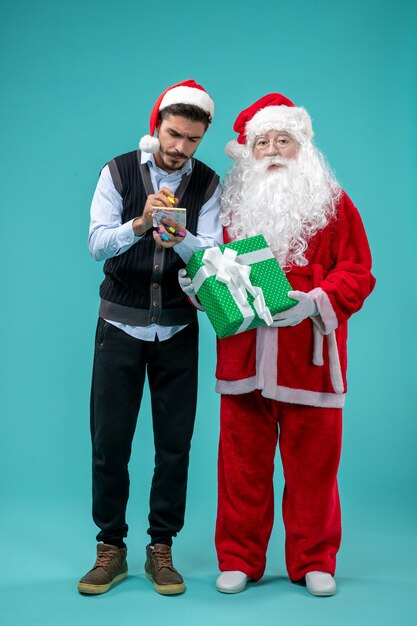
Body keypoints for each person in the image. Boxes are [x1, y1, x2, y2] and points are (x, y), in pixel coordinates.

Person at [180, 93, 375, 596]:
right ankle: (241, 559)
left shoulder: (334, 203)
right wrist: (200, 289)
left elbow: (358, 271)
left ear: (302, 147)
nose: (271, 149)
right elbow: (217, 268)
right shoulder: (232, 206)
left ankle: (315, 560)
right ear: (248, 150)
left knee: (314, 468)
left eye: (282, 140)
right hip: (243, 357)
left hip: (309, 360)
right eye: (261, 141)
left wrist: (318, 301)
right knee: (240, 467)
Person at [78, 80, 222, 597]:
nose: (180, 147)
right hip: (119, 324)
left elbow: (212, 255)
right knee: (109, 442)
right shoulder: (117, 172)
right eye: (173, 133)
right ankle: (110, 547)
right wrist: (140, 224)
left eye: (192, 139)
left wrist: (180, 237)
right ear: (155, 124)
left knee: (175, 446)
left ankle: (161, 547)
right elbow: (96, 244)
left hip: (180, 329)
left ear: (202, 138)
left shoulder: (209, 184)